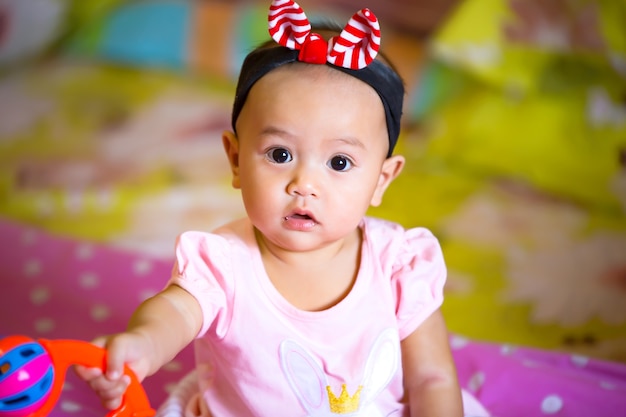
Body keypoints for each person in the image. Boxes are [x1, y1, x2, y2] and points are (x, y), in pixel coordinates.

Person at [77, 1, 489, 416]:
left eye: (339, 163)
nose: (304, 184)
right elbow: (176, 310)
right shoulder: (225, 263)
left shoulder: (398, 264)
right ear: (236, 160)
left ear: (381, 180)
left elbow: (431, 378)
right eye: (279, 154)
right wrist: (144, 345)